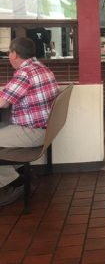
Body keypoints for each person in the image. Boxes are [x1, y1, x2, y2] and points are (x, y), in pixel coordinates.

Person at [0, 37, 58, 206]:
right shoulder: (41, 67)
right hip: (44, 128)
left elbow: (3, 102)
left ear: (14, 54)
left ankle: (15, 182)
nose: (9, 56)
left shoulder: (25, 73)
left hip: (34, 132)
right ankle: (22, 173)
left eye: (9, 52)